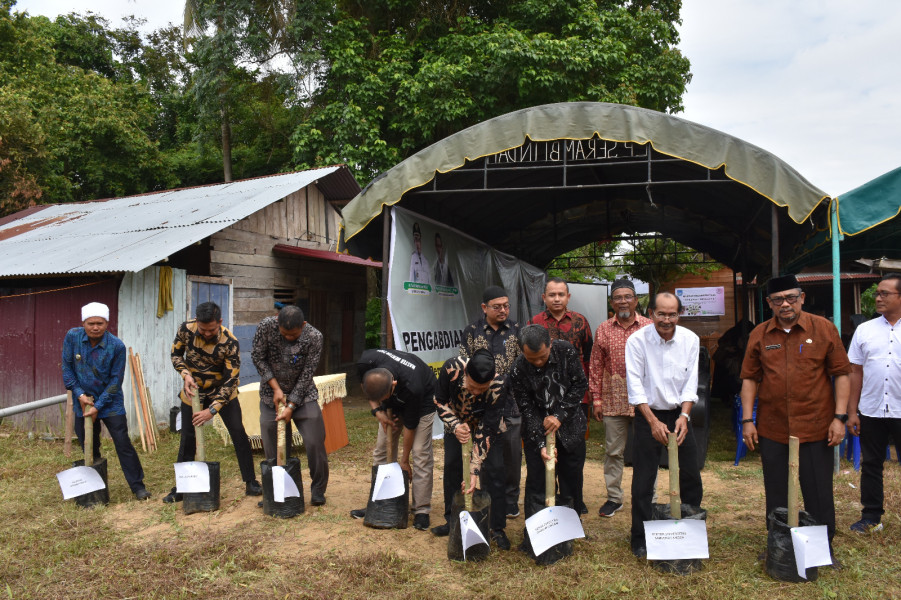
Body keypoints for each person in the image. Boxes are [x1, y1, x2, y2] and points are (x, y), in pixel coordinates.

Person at [740, 274, 850, 548]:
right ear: (769, 303)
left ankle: (821, 548)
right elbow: (750, 379)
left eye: (791, 298)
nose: (785, 304)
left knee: (818, 491)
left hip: (816, 426)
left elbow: (842, 374)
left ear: (802, 298)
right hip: (773, 428)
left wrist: (839, 418)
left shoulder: (823, 329)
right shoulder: (760, 334)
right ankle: (779, 546)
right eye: (778, 300)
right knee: (776, 489)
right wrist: (747, 420)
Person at [625, 292, 702, 558]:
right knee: (644, 478)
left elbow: (691, 383)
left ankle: (690, 530)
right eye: (661, 314)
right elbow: (635, 385)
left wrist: (684, 416)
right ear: (651, 313)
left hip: (680, 415)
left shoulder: (691, 340)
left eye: (672, 314)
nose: (667, 320)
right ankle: (640, 536)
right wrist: (652, 421)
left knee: (691, 473)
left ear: (679, 314)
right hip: (648, 415)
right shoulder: (637, 341)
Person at [164, 302, 261, 503]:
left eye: (212, 330)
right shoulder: (185, 329)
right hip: (193, 389)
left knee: (238, 433)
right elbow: (175, 355)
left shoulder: (230, 342)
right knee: (188, 437)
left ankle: (250, 482)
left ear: (220, 322)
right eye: (203, 329)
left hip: (222, 390)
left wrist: (212, 410)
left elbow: (231, 379)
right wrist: (185, 374)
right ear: (196, 322)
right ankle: (180, 487)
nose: (207, 333)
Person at [61, 302, 150, 500]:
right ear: (83, 322)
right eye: (91, 323)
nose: (95, 327)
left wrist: (98, 406)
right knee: (88, 444)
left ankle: (138, 486)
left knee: (123, 443)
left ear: (107, 323)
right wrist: (80, 395)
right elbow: (67, 368)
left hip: (111, 402)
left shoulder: (116, 346)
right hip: (82, 401)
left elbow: (116, 381)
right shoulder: (72, 337)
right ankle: (94, 490)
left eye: (99, 323)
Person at [509, 325, 588, 529]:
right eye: (531, 358)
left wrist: (559, 415)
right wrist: (540, 442)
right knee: (537, 481)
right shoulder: (518, 368)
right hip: (538, 430)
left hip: (570, 428)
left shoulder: (566, 351)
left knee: (571, 478)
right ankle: (539, 528)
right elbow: (525, 407)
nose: (537, 362)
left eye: (542, 357)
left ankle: (570, 527)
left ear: (550, 344)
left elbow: (579, 384)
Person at [430, 349, 509, 549]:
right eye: (473, 387)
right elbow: (439, 400)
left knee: (495, 470)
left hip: (488, 425)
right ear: (465, 374)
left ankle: (496, 528)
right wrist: (455, 425)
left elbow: (489, 426)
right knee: (452, 465)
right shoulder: (451, 368)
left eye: (482, 389)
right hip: (456, 420)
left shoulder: (499, 384)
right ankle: (452, 521)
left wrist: (475, 468)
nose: (475, 392)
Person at [351, 348, 436, 530]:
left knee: (420, 452)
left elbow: (410, 427)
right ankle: (379, 502)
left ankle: (421, 510)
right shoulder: (366, 362)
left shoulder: (414, 386)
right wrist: (378, 411)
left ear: (393, 385)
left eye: (383, 398)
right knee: (382, 448)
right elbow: (367, 390)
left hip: (423, 401)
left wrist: (404, 461)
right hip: (394, 398)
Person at [251, 305, 328, 505]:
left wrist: (291, 405)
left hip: (303, 395)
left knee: (314, 442)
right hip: (271, 395)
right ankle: (276, 489)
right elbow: (257, 358)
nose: (288, 338)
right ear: (277, 322)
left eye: (293, 335)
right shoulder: (266, 327)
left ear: (303, 325)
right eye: (284, 334)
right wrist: (276, 388)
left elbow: (307, 374)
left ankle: (318, 490)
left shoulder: (314, 337)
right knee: (272, 443)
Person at [588, 279, 652, 518]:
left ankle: (648, 497)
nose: (623, 301)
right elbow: (595, 364)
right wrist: (596, 399)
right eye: (618, 297)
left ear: (636, 300)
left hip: (644, 400)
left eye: (628, 296)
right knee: (613, 451)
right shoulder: (603, 329)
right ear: (611, 302)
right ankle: (614, 498)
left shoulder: (649, 326)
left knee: (646, 451)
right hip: (613, 399)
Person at [529, 277, 593, 513]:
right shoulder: (535, 323)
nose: (557, 299)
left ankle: (574, 500)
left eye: (561, 294)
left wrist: (587, 393)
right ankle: (549, 496)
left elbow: (588, 356)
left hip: (574, 398)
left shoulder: (580, 322)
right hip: (542, 397)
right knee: (546, 450)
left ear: (568, 297)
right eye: (552, 295)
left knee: (573, 452)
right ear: (544, 297)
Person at [459, 285, 523, 518]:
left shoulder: (517, 330)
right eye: (497, 307)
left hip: (510, 404)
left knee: (511, 453)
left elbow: (522, 365)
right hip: (481, 405)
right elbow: (464, 365)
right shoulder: (472, 331)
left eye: (506, 306)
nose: (503, 310)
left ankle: (510, 500)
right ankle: (483, 495)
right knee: (482, 451)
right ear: (484, 307)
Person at [847, 273, 901, 533]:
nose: (878, 298)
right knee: (871, 464)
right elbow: (854, 372)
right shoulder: (865, 330)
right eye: (877, 293)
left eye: (885, 294)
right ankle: (870, 516)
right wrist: (851, 411)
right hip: (871, 409)